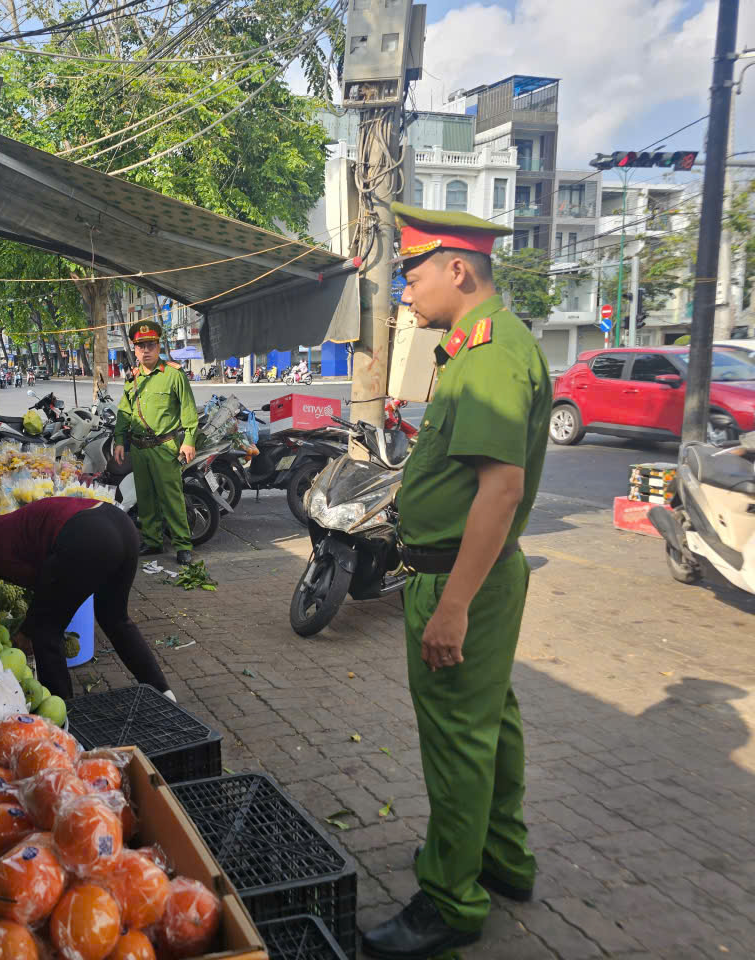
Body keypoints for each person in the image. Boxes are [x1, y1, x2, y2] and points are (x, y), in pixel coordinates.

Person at [361, 205, 552, 960]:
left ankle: (450, 899)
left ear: (458, 271)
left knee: (458, 741)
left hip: (459, 581)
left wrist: (455, 607)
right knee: (490, 726)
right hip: (465, 576)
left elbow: (500, 490)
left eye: (412, 273)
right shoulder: (470, 348)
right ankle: (499, 859)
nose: (405, 290)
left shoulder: (494, 353)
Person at [0, 494, 173, 701]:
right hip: (120, 523)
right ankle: (164, 694)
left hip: (88, 538)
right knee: (115, 619)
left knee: (45, 632)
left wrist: (25, 632)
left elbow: (45, 587)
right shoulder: (5, 523)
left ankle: (64, 712)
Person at [112, 319, 199, 566]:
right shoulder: (133, 378)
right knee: (146, 498)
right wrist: (120, 441)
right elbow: (124, 412)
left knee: (172, 499)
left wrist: (189, 440)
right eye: (141, 346)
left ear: (158, 346)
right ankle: (152, 541)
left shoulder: (173, 374)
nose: (146, 350)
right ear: (135, 349)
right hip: (139, 449)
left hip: (165, 447)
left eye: (150, 345)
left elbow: (188, 410)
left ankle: (182, 545)